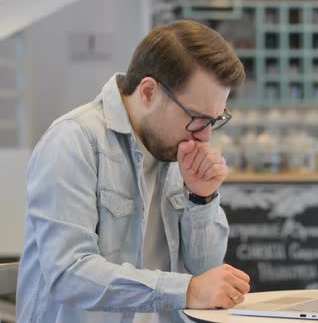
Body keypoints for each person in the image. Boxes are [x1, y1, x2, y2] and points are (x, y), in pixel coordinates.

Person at [16, 20, 250, 322]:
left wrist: (201, 199)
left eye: (215, 120)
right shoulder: (73, 142)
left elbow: (205, 275)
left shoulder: (179, 147)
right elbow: (68, 274)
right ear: (149, 92)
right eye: (197, 117)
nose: (205, 136)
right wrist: (186, 290)